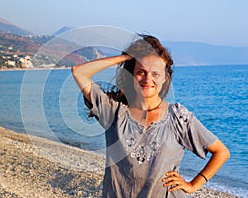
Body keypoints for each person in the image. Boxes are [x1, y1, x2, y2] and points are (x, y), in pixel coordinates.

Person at [71, 34, 230, 198]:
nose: (148, 79)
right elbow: (79, 72)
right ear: (131, 75)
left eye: (155, 73)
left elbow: (221, 152)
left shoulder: (178, 117)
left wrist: (193, 184)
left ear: (165, 77)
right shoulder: (113, 112)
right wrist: (127, 57)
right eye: (141, 72)